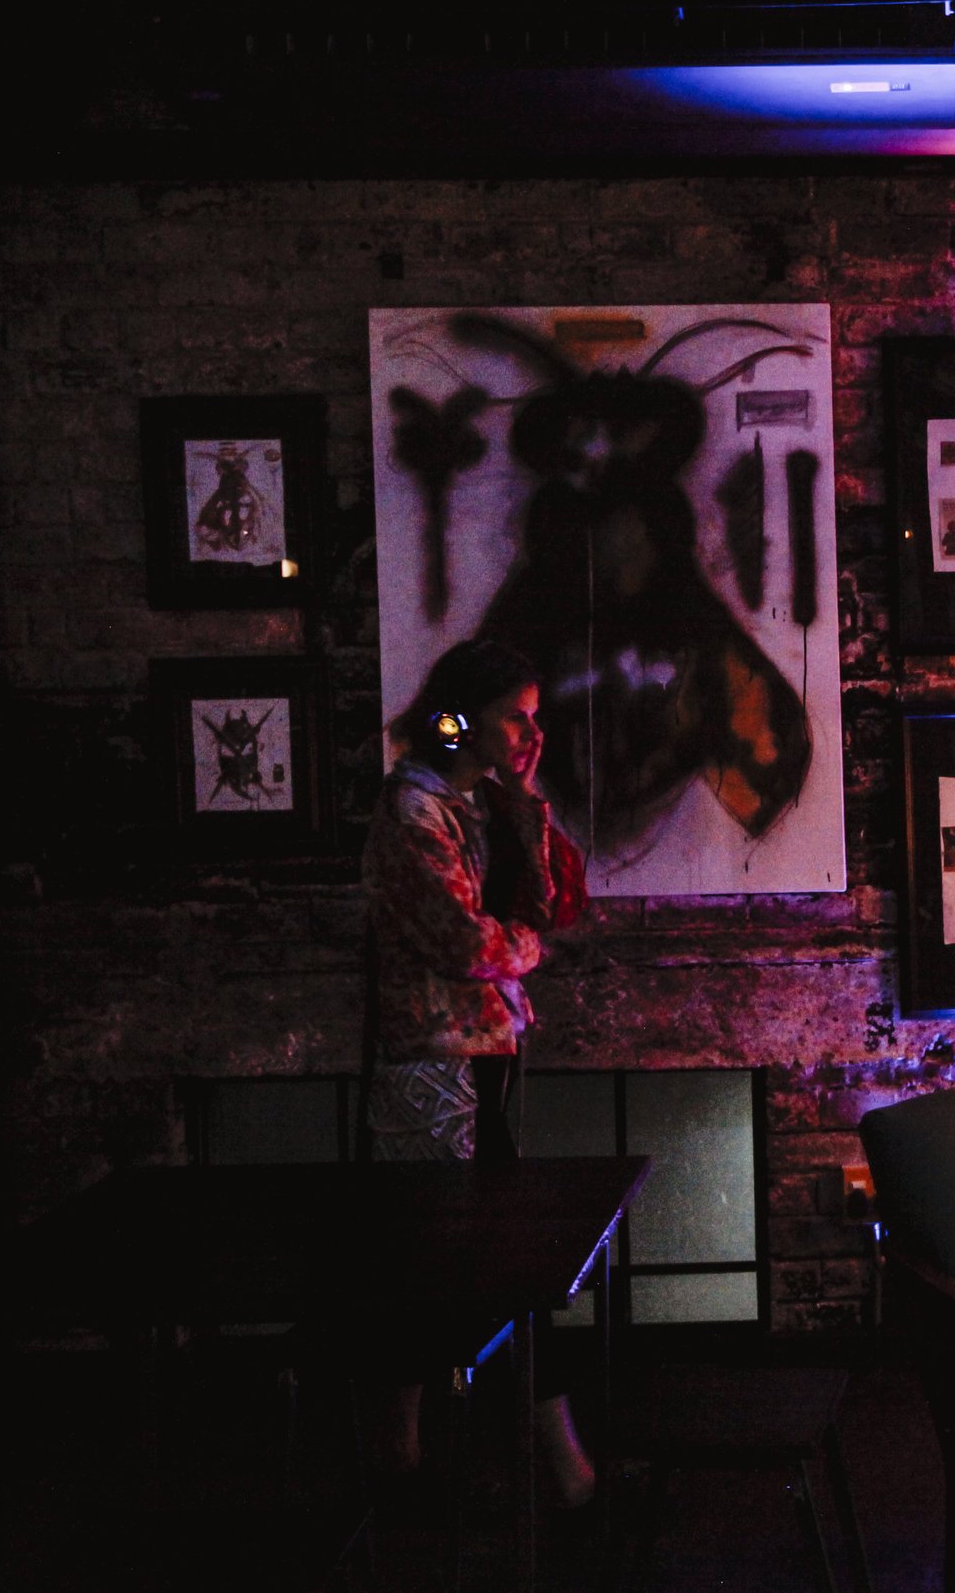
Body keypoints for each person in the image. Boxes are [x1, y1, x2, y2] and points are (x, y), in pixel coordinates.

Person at [363, 636, 595, 1506]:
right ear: (461, 720)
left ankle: (408, 1450)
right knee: (454, 1259)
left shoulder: (480, 806)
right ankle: (547, 1465)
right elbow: (466, 941)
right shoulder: (413, 812)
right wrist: (520, 949)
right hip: (432, 1065)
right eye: (516, 718)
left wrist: (526, 804)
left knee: (454, 1260)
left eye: (535, 718)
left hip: (479, 1054)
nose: (533, 734)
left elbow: (552, 903)